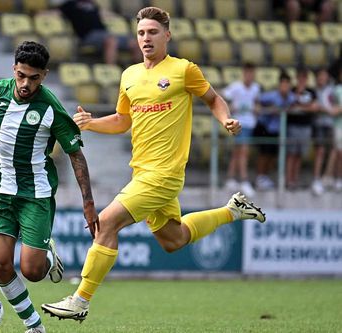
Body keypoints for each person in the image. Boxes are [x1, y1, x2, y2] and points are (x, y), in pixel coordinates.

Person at [41, 7, 266, 322]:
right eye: (141, 33)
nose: (146, 38)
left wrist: (225, 118)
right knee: (175, 239)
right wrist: (91, 124)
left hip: (165, 175)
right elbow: (123, 120)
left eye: (153, 32)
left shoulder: (184, 70)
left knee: (106, 223)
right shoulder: (129, 75)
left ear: (167, 35)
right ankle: (233, 210)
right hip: (142, 172)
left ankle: (80, 299)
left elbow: (214, 99)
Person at [0, 41, 98, 333]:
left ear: (43, 75)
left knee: (32, 271)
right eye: (21, 75)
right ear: (14, 70)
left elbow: (75, 154)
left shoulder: (51, 108)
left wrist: (88, 204)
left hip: (34, 194)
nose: (25, 84)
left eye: (33, 78)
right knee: (1, 264)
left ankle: (46, 254)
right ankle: (34, 326)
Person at [56, 0, 141, 64]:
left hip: (103, 33)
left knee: (134, 42)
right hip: (87, 36)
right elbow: (56, 13)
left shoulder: (93, 4)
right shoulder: (70, 4)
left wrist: (121, 17)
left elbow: (104, 13)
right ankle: (111, 72)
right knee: (111, 41)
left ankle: (136, 73)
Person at [222, 62, 261, 197]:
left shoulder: (256, 88)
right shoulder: (236, 87)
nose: (249, 76)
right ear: (244, 74)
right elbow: (221, 96)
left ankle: (230, 179)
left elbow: (256, 103)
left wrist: (257, 108)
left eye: (252, 73)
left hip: (250, 123)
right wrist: (229, 107)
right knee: (243, 151)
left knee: (238, 152)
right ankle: (244, 180)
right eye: (247, 73)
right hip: (238, 124)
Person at [254, 72, 296, 191]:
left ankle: (265, 177)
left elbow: (296, 104)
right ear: (279, 85)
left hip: (277, 130)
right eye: (283, 84)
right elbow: (257, 101)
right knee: (264, 153)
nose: (285, 87)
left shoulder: (291, 97)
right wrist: (266, 109)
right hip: (265, 127)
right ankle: (259, 177)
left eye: (287, 85)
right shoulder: (271, 96)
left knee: (272, 155)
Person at [286, 67, 317, 190]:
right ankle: (288, 180)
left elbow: (314, 108)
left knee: (299, 154)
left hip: (305, 126)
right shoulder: (292, 91)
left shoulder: (311, 92)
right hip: (293, 126)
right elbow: (289, 106)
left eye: (305, 77)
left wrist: (300, 107)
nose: (302, 80)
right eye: (300, 77)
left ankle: (295, 180)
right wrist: (305, 106)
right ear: (297, 78)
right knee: (291, 154)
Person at [311, 68, 335, 195]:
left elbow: (335, 106)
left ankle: (328, 177)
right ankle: (316, 179)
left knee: (333, 151)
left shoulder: (332, 90)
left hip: (330, 124)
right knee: (319, 151)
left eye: (324, 76)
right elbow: (314, 106)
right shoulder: (313, 91)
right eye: (320, 76)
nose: (322, 79)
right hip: (319, 124)